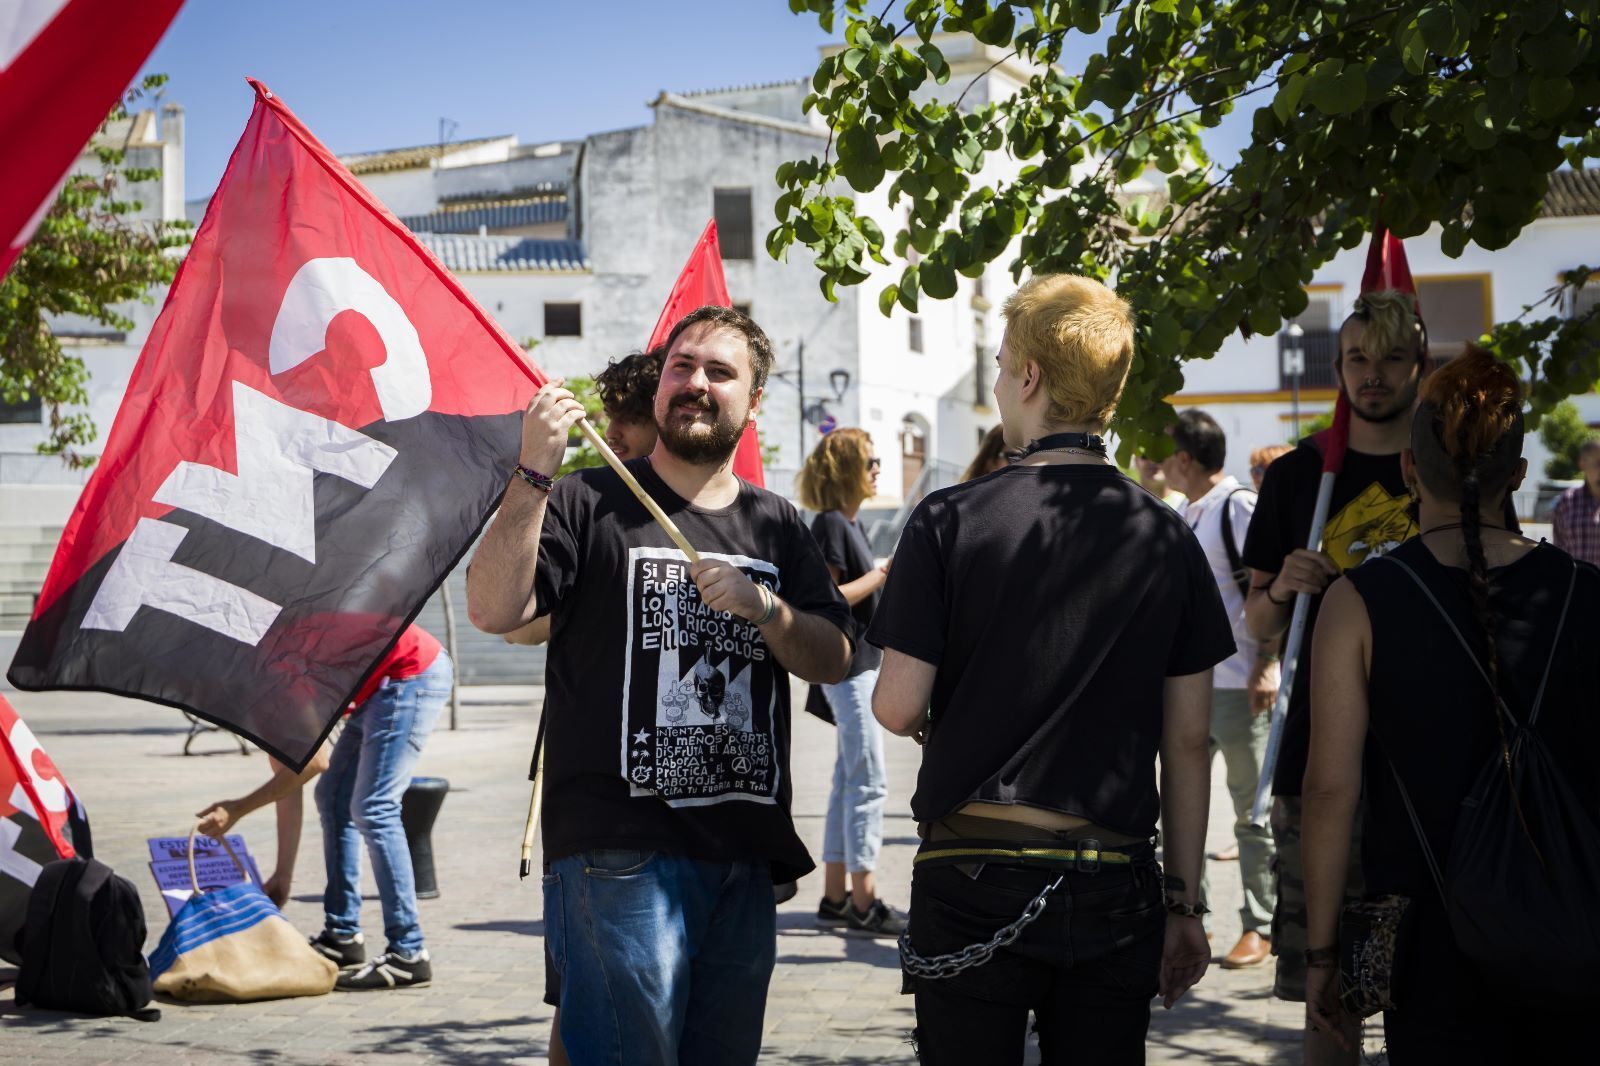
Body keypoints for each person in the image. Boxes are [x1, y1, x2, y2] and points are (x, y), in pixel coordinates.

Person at [466, 305, 853, 1066]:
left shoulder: (778, 526)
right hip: (617, 858)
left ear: (754, 401)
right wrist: (533, 469)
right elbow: (493, 609)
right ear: (658, 385)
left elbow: (835, 655)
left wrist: (767, 608)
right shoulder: (584, 499)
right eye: (682, 366)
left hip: (743, 857)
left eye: (720, 371)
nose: (696, 383)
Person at [869, 274, 1234, 1064]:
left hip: (971, 871)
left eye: (1001, 364)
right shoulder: (1166, 535)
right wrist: (1185, 901)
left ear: (1029, 377)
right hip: (1113, 879)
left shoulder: (949, 517)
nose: (998, 381)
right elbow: (1191, 740)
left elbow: (897, 709)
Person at [1301, 348, 1600, 1061]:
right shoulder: (1590, 594)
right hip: (1579, 933)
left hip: (1430, 947)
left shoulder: (1358, 601)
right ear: (1519, 476)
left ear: (1408, 467)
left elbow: (1329, 789)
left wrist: (1322, 958)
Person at [1241, 290, 1425, 1064]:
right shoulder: (1299, 475)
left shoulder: (1445, 466)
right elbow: (1258, 623)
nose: (1372, 374)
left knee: (1433, 993)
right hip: (1319, 761)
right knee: (1329, 993)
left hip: (1430, 766)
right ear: (1339, 367)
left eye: (1388, 358)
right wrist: (1283, 586)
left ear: (1419, 365)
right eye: (1357, 358)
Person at [196, 624, 452, 991]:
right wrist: (283, 876)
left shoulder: (274, 675)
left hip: (411, 670)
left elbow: (311, 763)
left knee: (374, 807)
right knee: (333, 796)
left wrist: (237, 808)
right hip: (381, 682)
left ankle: (408, 953)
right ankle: (343, 936)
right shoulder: (260, 673)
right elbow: (292, 779)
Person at [1160, 409, 1277, 969]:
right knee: (1182, 811)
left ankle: (1261, 923)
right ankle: (1187, 915)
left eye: (1167, 455)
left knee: (1250, 814)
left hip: (1239, 685)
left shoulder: (1237, 506)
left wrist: (1267, 666)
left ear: (1185, 459)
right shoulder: (1187, 511)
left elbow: (1270, 585)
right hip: (1191, 689)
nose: (1160, 465)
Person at [794, 427, 901, 935]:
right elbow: (829, 600)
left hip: (855, 667)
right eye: (871, 460)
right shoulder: (834, 524)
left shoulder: (848, 524)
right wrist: (883, 573)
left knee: (847, 779)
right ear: (847, 470)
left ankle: (836, 895)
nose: (878, 468)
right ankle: (864, 899)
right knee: (869, 780)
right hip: (848, 668)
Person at [1551, 435, 1600, 565]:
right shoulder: (1567, 502)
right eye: (1598, 463)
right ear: (1582, 463)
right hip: (1575, 584)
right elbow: (1558, 552)